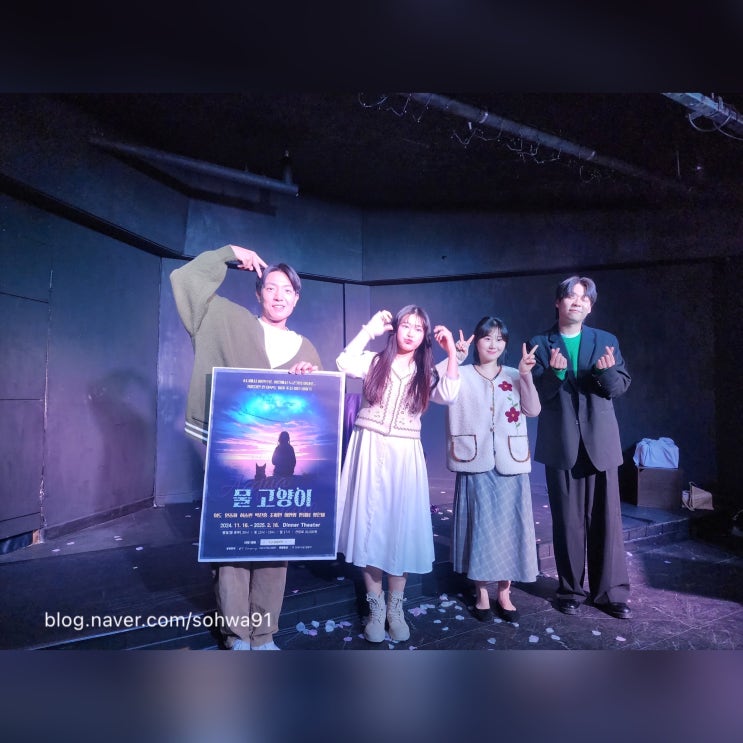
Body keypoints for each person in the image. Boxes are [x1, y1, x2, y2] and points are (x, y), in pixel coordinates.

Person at [170, 243, 322, 650]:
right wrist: (228, 253)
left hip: (280, 471)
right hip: (234, 453)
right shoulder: (228, 320)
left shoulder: (306, 349)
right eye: (271, 288)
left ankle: (264, 632)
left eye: (287, 290)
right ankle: (237, 632)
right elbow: (186, 280)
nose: (278, 296)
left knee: (275, 541)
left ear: (297, 298)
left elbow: (315, 410)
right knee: (234, 537)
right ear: (258, 293)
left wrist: (309, 377)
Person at [335, 306, 460, 643]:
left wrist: (451, 353)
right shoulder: (374, 361)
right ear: (395, 329)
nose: (410, 333)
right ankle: (375, 607)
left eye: (418, 328)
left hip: (404, 454)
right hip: (368, 447)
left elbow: (449, 394)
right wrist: (369, 330)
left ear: (425, 336)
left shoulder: (426, 372)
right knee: (369, 527)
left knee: (398, 529)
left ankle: (396, 608)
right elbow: (344, 362)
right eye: (406, 325)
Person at [528, 276, 632, 620]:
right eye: (571, 297)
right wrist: (555, 375)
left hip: (600, 443)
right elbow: (535, 396)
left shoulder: (606, 341)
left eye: (584, 298)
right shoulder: (539, 343)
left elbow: (619, 387)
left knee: (607, 521)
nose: (578, 302)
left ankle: (610, 592)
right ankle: (570, 590)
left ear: (590, 306)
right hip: (561, 445)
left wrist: (606, 373)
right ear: (558, 302)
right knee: (567, 523)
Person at [442, 318, 541, 623]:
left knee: (510, 529)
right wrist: (453, 357)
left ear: (506, 344)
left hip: (511, 461)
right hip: (476, 459)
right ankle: (482, 592)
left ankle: (505, 592)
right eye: (487, 338)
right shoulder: (461, 373)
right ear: (477, 341)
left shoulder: (514, 373)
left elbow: (533, 410)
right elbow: (438, 388)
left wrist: (526, 376)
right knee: (481, 529)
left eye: (500, 339)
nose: (493, 344)